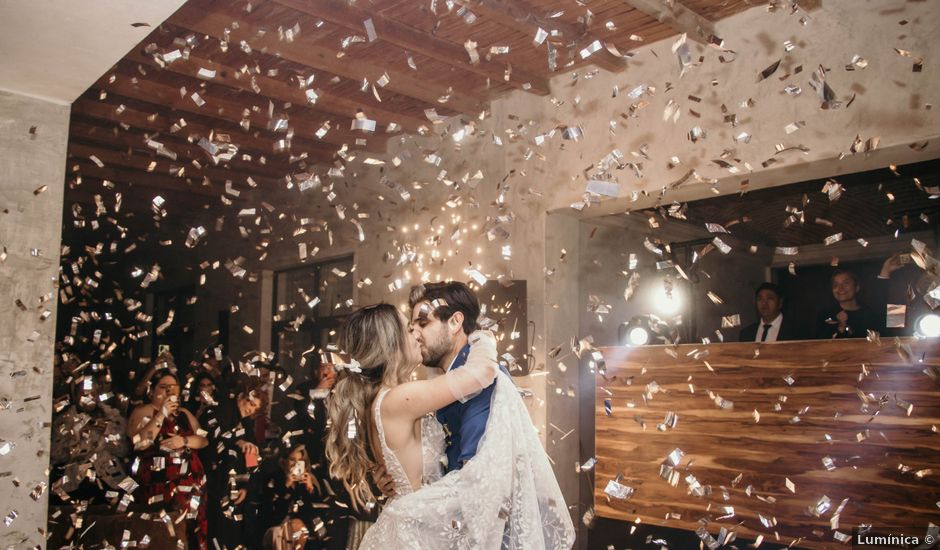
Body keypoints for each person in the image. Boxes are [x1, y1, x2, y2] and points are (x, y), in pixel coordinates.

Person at [325, 302, 574, 549]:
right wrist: (483, 336)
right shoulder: (400, 398)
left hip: (417, 525)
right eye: (409, 329)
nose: (417, 335)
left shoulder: (383, 399)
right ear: (391, 344)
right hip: (418, 530)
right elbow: (482, 372)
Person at [127, 371, 209, 550]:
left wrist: (184, 441)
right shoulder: (144, 411)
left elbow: (203, 440)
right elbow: (139, 443)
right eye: (163, 387)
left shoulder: (185, 413)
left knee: (190, 534)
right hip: (160, 487)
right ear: (152, 391)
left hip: (190, 488)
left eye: (173, 388)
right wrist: (161, 414)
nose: (169, 391)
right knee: (163, 535)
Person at [199, 376, 266, 549]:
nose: (252, 411)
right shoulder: (220, 411)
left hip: (235, 490)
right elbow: (210, 440)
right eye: (251, 404)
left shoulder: (246, 424)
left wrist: (246, 486)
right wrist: (236, 442)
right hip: (215, 483)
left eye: (256, 409)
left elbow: (252, 458)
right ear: (242, 397)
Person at [50, 373, 129, 503]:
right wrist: (78, 446)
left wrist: (107, 434)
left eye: (93, 394)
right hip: (76, 482)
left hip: (112, 479)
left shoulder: (113, 417)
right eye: (84, 395)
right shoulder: (64, 421)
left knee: (133, 496)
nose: (90, 398)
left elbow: (124, 450)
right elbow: (55, 454)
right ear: (75, 396)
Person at [259, 444, 347, 549]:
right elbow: (270, 508)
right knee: (295, 529)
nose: (296, 464)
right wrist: (286, 485)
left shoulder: (306, 480)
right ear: (284, 461)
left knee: (301, 528)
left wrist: (310, 489)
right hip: (278, 522)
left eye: (300, 460)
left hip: (304, 524)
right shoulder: (274, 478)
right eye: (292, 460)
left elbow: (314, 508)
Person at [815, 269, 883, 339]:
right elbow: (819, 344)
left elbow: (876, 341)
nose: (841, 288)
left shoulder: (869, 314)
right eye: (836, 285)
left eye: (846, 283)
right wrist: (841, 327)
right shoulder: (825, 315)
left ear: (857, 287)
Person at [738, 282, 809, 342]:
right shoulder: (746, 334)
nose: (764, 303)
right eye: (760, 299)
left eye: (769, 298)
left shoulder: (798, 331)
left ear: (780, 303)